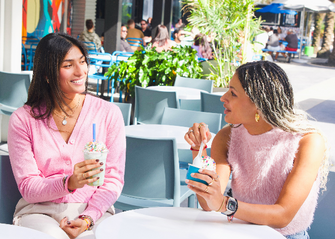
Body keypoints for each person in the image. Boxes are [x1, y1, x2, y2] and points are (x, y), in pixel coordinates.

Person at [184, 61, 329, 239]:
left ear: (259, 103)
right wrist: (199, 151)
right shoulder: (226, 137)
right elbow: (208, 204)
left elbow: (283, 215)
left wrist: (224, 205)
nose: (223, 98)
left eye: (233, 93)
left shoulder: (307, 141)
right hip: (239, 231)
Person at [7, 33, 126, 239]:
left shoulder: (108, 113)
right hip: (39, 211)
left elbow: (113, 180)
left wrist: (88, 218)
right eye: (68, 65)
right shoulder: (23, 119)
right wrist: (68, 183)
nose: (81, 71)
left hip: (94, 209)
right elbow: (28, 186)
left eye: (82, 62)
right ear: (47, 74)